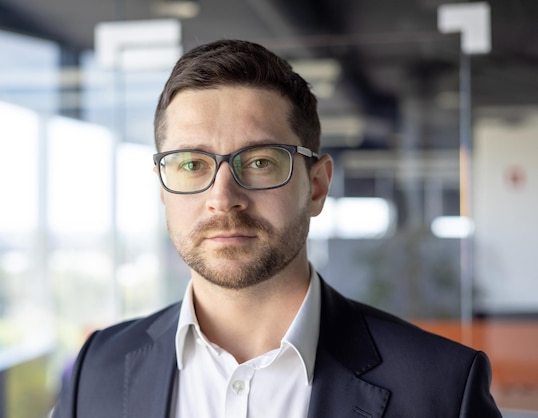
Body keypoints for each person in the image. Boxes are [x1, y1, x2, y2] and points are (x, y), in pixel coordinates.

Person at [52, 39, 501, 417]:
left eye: (260, 162)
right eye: (191, 163)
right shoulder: (99, 368)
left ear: (318, 187)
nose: (223, 196)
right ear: (163, 189)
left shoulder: (441, 389)